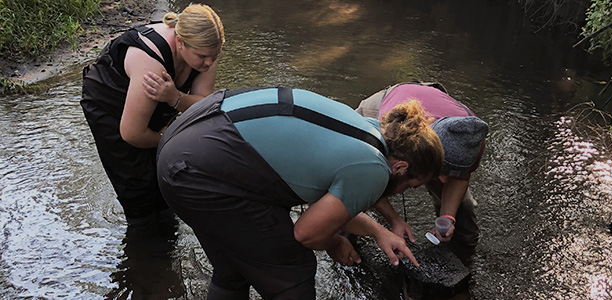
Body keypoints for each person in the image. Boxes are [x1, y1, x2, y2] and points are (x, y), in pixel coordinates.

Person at [156, 86, 444, 299]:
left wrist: (380, 232)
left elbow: (328, 206)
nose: (403, 191)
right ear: (401, 167)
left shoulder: (370, 130)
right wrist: (332, 243)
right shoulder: (374, 168)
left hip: (187, 139)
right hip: (200, 173)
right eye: (410, 185)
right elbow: (306, 233)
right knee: (292, 274)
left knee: (233, 267)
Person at [80, 3, 225, 226]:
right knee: (137, 188)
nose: (209, 62)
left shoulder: (205, 51)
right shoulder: (151, 63)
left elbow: (202, 106)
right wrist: (168, 139)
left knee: (168, 178)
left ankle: (167, 234)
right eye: (203, 56)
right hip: (108, 105)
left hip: (157, 99)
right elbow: (131, 133)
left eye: (214, 57)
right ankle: (144, 240)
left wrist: (174, 97)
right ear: (180, 42)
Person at [356, 81, 489, 256]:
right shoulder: (387, 134)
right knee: (355, 192)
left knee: (463, 210)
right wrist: (394, 220)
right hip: (384, 109)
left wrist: (448, 217)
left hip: (431, 112)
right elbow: (365, 180)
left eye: (448, 173)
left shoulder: (470, 140)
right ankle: (346, 243)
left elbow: (461, 178)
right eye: (439, 172)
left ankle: (464, 254)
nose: (441, 181)